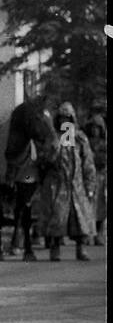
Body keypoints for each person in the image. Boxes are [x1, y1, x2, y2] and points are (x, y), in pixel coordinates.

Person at [38, 100, 96, 261]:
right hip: (57, 185)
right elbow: (43, 161)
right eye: (62, 119)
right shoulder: (52, 138)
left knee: (80, 219)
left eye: (67, 119)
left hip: (76, 185)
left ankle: (81, 248)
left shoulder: (80, 138)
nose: (65, 122)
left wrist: (90, 186)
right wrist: (53, 150)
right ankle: (54, 249)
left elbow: (88, 163)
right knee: (56, 218)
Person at [82, 105, 106, 246]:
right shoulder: (85, 141)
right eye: (92, 127)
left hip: (102, 177)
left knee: (101, 207)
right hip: (89, 178)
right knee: (88, 206)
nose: (94, 130)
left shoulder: (104, 142)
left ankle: (99, 232)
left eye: (97, 127)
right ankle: (89, 233)